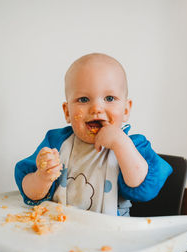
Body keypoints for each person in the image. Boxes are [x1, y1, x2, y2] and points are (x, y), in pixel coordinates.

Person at [15, 53, 172, 216]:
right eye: (83, 99)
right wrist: (42, 177)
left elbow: (145, 190)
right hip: (59, 232)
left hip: (111, 236)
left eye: (109, 98)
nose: (96, 108)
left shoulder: (132, 146)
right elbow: (29, 193)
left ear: (125, 110)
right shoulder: (56, 143)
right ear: (67, 112)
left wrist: (120, 143)